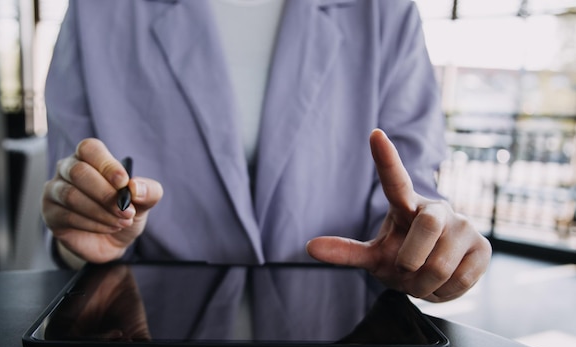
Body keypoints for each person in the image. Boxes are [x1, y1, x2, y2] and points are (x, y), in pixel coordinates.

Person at [42, 0, 492, 302]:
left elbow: (412, 192)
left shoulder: (385, 9)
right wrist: (88, 236)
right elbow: (75, 187)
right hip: (153, 338)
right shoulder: (95, 9)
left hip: (339, 342)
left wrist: (426, 242)